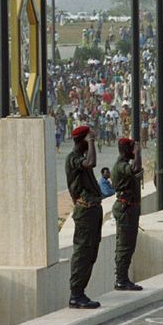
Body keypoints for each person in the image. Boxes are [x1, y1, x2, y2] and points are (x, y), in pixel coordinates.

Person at [65, 125, 103, 309]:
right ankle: (76, 294)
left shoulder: (80, 157)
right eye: (87, 140)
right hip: (85, 211)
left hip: (92, 210)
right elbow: (91, 163)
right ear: (82, 141)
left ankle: (81, 291)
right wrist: (91, 141)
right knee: (82, 252)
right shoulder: (73, 158)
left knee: (91, 253)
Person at [110, 137, 143, 291]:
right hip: (125, 209)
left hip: (129, 208)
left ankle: (123, 278)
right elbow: (135, 169)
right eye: (131, 149)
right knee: (124, 245)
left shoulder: (123, 165)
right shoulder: (121, 165)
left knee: (128, 245)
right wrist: (137, 153)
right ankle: (121, 279)